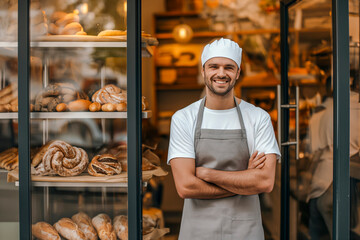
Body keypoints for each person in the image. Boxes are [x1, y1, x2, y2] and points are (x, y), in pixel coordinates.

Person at [167, 38, 281, 240]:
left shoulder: (258, 118)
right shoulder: (183, 118)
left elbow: (264, 182)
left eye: (229, 67)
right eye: (213, 66)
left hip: (244, 231)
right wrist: (244, 179)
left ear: (238, 73)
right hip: (197, 231)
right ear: (203, 71)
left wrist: (207, 174)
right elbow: (185, 187)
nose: (221, 73)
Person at [307, 77, 360, 239]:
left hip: (326, 177)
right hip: (346, 174)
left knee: (320, 215)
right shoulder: (354, 106)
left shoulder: (322, 111)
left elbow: (312, 149)